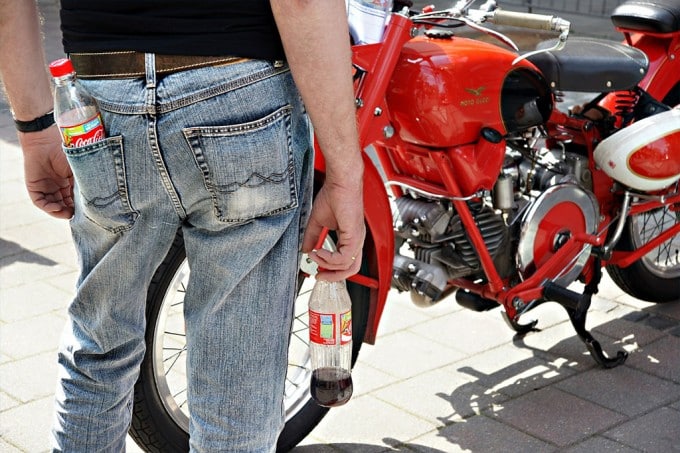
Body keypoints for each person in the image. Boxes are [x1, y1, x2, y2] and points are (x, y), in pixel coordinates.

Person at [0, 1, 365, 451]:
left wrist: (36, 130)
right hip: (239, 93)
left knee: (99, 350)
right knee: (237, 385)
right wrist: (347, 177)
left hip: (104, 101)